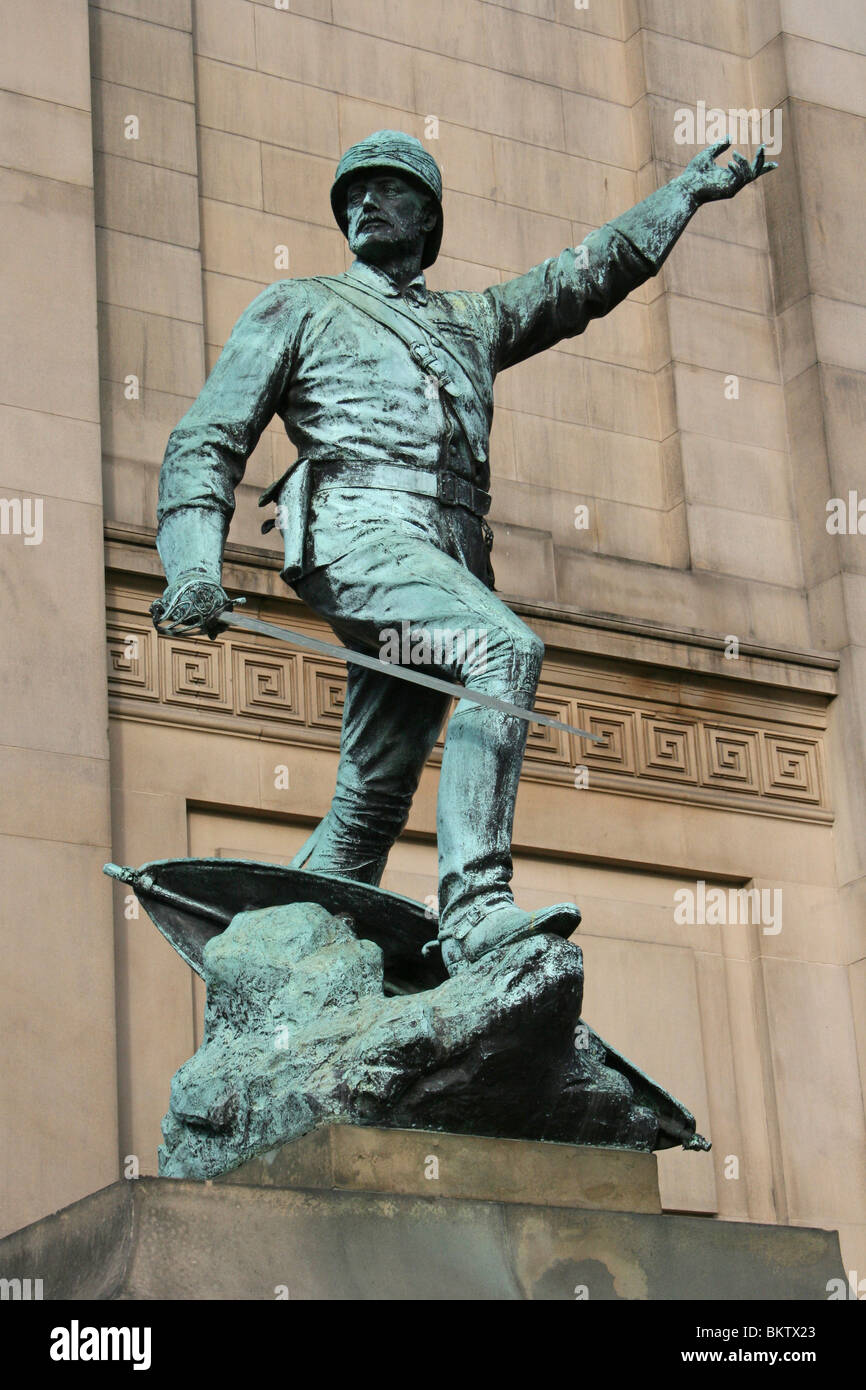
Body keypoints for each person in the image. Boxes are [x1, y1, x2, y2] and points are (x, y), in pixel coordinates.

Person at [152, 129, 775, 975]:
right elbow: (207, 440)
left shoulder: (472, 322)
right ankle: (476, 906)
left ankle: (280, 958)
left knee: (372, 796)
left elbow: (583, 278)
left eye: (387, 190)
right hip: (356, 533)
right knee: (502, 647)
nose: (364, 204)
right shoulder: (297, 305)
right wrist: (193, 563)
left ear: (428, 217)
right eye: (352, 195)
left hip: (446, 555)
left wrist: (684, 196)